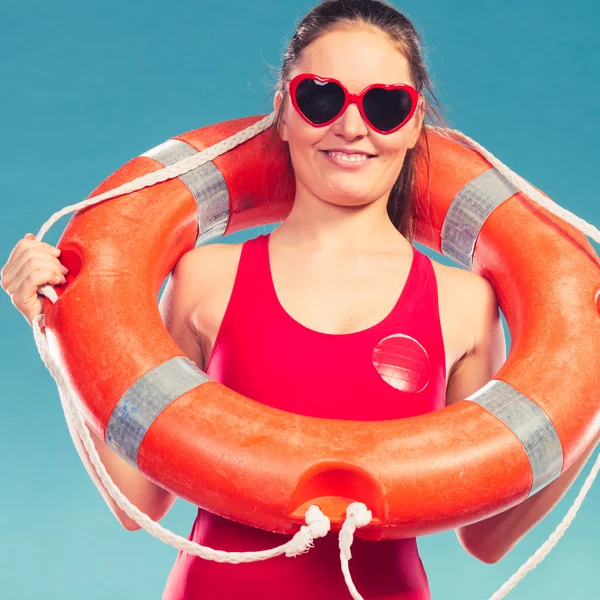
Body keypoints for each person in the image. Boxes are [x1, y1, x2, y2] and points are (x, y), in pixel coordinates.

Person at [1, 1, 509, 598]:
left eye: (384, 105)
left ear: (416, 122)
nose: (351, 127)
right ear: (284, 111)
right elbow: (138, 502)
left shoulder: (465, 303)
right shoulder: (203, 280)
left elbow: (487, 536)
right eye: (321, 98)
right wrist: (56, 330)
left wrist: (591, 366)